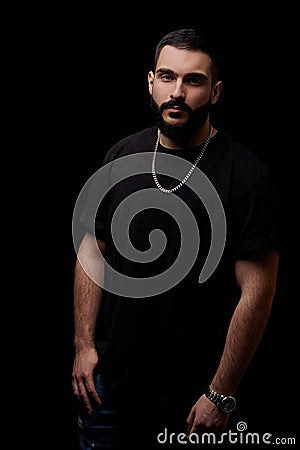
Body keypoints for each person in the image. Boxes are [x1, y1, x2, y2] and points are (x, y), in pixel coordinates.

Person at [71, 28, 280, 449]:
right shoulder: (120, 157)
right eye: (167, 77)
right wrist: (83, 347)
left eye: (194, 80)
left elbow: (257, 292)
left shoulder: (247, 176)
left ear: (216, 91)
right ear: (151, 82)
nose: (178, 92)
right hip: (111, 391)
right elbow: (92, 252)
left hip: (195, 403)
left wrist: (220, 393)